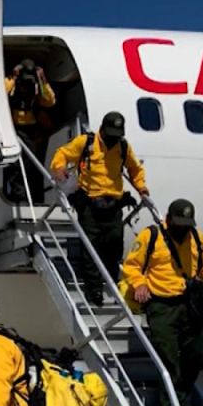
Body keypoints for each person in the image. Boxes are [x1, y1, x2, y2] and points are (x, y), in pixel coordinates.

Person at [120, 199, 203, 406]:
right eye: (178, 223)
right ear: (168, 219)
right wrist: (140, 283)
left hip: (188, 303)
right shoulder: (150, 236)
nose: (182, 228)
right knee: (168, 356)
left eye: (186, 224)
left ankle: (179, 396)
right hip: (161, 305)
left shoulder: (196, 237)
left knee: (197, 350)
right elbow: (132, 265)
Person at [50, 112, 148, 306]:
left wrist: (141, 187)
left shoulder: (123, 147)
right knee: (91, 248)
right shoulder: (86, 142)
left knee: (114, 245)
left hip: (113, 205)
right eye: (110, 134)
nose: (113, 138)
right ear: (102, 129)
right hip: (90, 204)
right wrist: (59, 167)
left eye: (116, 135)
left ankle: (112, 283)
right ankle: (94, 290)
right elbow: (62, 153)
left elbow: (135, 169)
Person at [3, 59, 56, 202]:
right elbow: (0, 93)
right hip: (12, 126)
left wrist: (42, 80)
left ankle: (28, 192)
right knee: (14, 161)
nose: (27, 84)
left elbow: (50, 101)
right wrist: (13, 77)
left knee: (30, 161)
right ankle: (16, 191)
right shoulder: (12, 84)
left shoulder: (37, 86)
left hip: (30, 127)